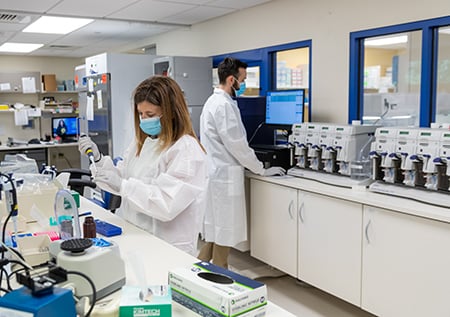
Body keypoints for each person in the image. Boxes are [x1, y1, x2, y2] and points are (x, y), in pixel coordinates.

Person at [78, 76, 207, 256]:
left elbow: (166, 204)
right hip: (136, 234)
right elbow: (121, 176)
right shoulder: (143, 142)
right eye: (141, 114)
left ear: (171, 113)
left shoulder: (185, 150)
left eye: (151, 115)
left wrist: (123, 186)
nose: (144, 120)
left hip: (167, 247)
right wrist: (98, 159)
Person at [198, 57, 286, 268]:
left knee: (216, 229)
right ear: (231, 80)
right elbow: (238, 146)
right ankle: (220, 275)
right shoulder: (224, 106)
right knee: (224, 230)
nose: (244, 84)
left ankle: (198, 266)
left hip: (216, 174)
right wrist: (262, 170)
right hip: (224, 177)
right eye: (243, 79)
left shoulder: (213, 101)